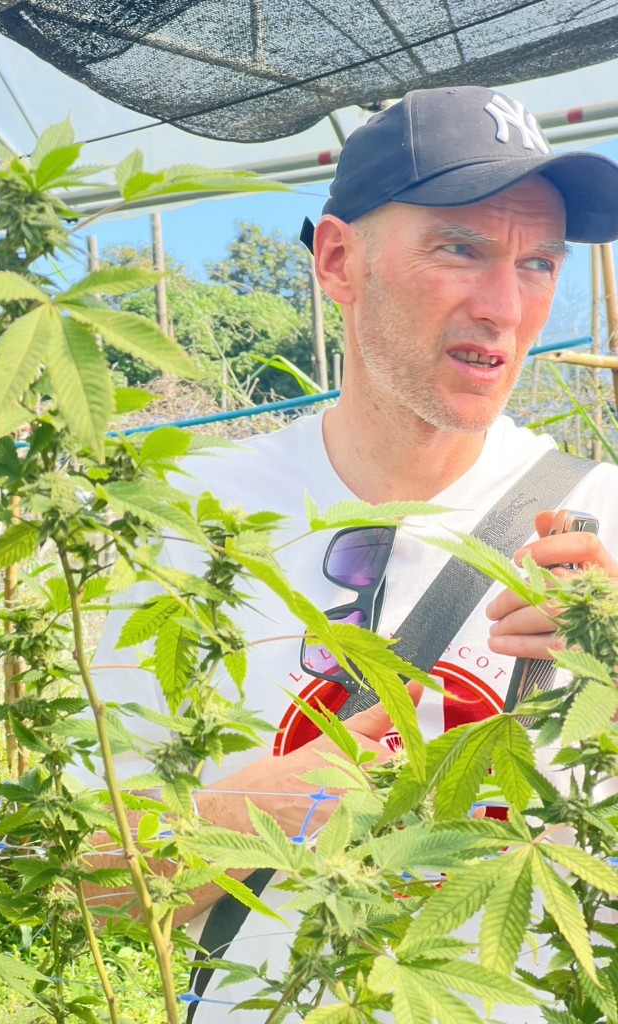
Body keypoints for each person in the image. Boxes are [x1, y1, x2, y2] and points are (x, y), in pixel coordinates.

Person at [84, 85, 618, 1022]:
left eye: (539, 263)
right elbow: (88, 890)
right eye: (461, 249)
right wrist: (248, 814)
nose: (506, 306)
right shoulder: (187, 524)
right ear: (339, 260)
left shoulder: (604, 518)